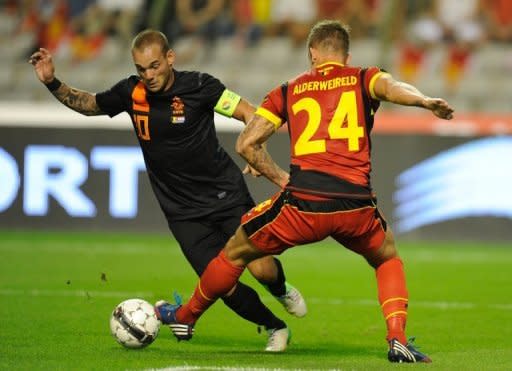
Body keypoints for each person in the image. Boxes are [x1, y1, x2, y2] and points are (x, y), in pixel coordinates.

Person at [155, 20, 454, 362]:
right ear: (346, 55)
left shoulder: (288, 90)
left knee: (235, 251)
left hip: (303, 206)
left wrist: (281, 178)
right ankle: (397, 337)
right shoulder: (362, 77)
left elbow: (247, 144)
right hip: (355, 207)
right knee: (387, 258)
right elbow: (393, 86)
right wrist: (426, 101)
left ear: (312, 53)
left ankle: (185, 318)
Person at [28, 29, 307, 352]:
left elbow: (247, 112)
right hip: (182, 212)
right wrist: (52, 81)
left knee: (261, 267)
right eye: (141, 69)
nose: (148, 75)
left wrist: (255, 150)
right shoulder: (131, 93)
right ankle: (275, 327)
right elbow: (90, 105)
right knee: (221, 284)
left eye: (155, 66)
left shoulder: (200, 86)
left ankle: (281, 288)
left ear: (170, 58)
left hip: (225, 195)